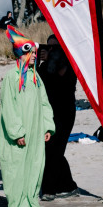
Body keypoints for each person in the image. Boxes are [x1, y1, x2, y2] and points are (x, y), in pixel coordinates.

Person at [1, 26, 55, 207]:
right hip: (20, 134)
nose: (34, 56)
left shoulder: (35, 77)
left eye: (34, 52)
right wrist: (17, 132)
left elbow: (44, 103)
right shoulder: (11, 77)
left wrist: (47, 126)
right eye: (30, 52)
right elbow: (9, 107)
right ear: (20, 53)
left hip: (36, 131)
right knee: (16, 170)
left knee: (35, 168)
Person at [37, 36, 79, 198]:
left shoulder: (69, 65)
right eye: (48, 47)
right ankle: (66, 185)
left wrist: (52, 59)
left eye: (55, 48)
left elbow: (63, 78)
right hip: (49, 112)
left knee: (55, 149)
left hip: (64, 112)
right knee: (51, 149)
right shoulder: (46, 66)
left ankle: (50, 189)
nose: (51, 50)